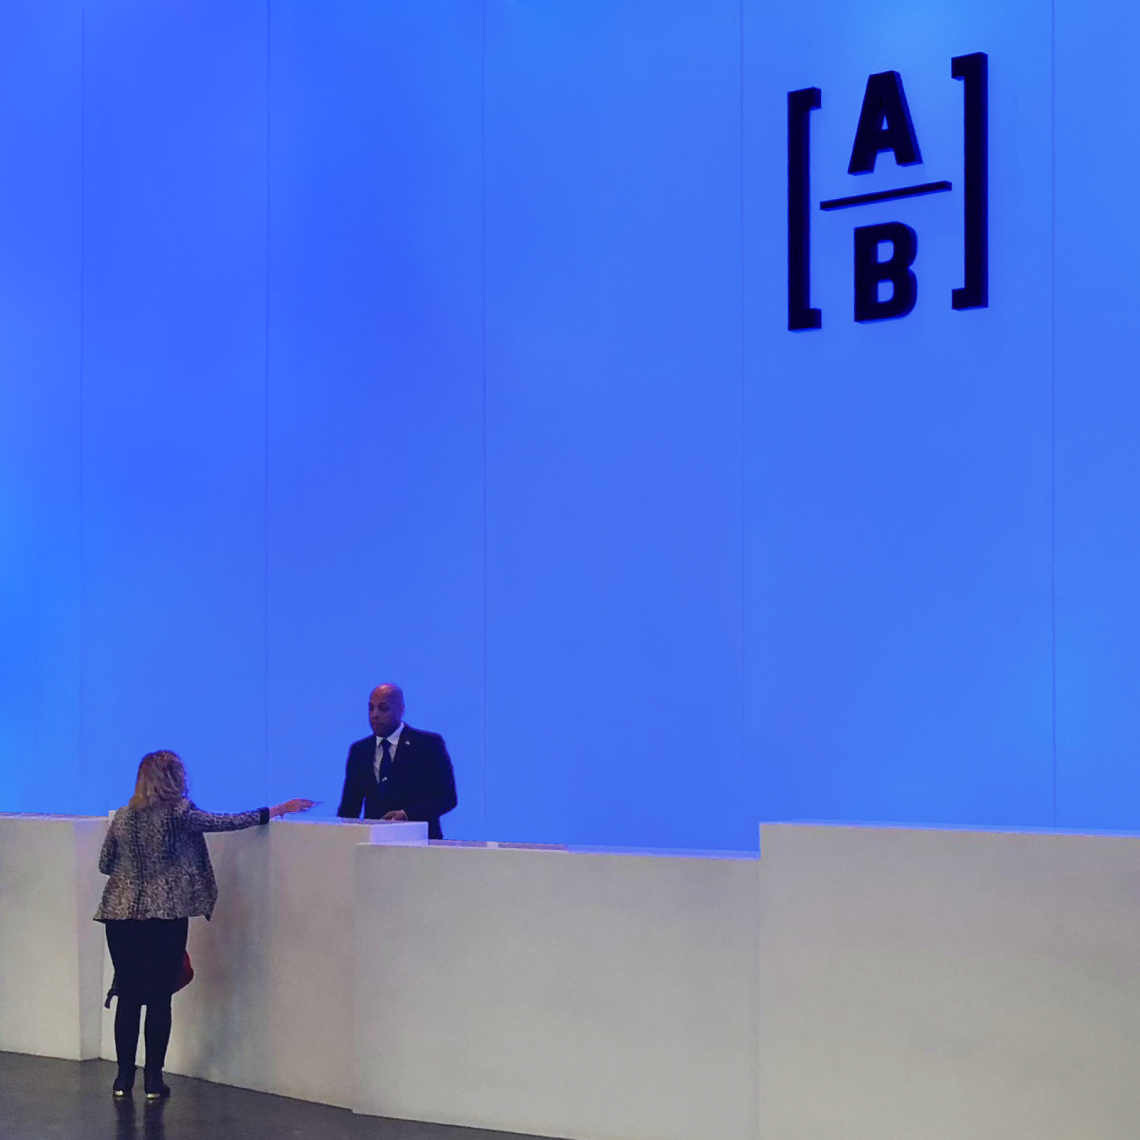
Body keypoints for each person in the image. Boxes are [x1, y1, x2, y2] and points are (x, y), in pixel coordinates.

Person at [94, 749, 314, 1100]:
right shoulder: (180, 813)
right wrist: (275, 810)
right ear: (175, 778)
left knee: (129, 996)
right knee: (158, 998)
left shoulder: (122, 816)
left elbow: (105, 864)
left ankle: (122, 1080)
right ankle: (153, 1080)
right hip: (164, 915)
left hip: (119, 916)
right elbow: (227, 822)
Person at [336, 683, 457, 839]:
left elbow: (447, 798)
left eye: (383, 708)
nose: (375, 715)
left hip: (420, 844)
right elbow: (349, 808)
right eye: (371, 708)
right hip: (373, 847)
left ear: (401, 709)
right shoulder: (360, 751)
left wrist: (407, 814)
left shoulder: (428, 744)